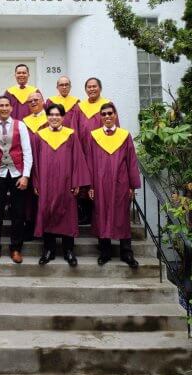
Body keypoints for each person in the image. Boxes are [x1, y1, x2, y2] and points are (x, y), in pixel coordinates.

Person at [33, 104, 90, 266]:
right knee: (47, 213)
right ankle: (49, 250)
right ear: (47, 117)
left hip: (66, 184)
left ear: (63, 117)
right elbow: (36, 162)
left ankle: (68, 251)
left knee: (68, 215)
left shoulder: (71, 135)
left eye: (58, 115)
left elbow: (77, 160)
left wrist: (77, 181)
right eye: (51, 115)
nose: (54, 117)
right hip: (46, 183)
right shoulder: (40, 135)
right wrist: (36, 182)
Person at [87, 102, 140, 268]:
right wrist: (90, 186)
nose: (107, 116)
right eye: (104, 114)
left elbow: (131, 161)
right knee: (101, 214)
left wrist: (132, 185)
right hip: (99, 183)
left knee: (122, 216)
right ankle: (105, 251)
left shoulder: (125, 135)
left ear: (115, 115)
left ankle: (126, 252)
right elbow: (89, 162)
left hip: (120, 183)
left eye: (110, 113)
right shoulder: (94, 135)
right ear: (100, 117)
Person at [0, 95, 33, 264]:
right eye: (0, 106)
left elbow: (27, 152)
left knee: (18, 212)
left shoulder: (21, 126)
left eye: (7, 105)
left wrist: (25, 175)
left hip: (17, 173)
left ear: (11, 108)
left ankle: (16, 249)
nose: (4, 108)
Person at [74, 77, 118, 225]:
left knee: (99, 181)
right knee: (85, 180)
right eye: (89, 87)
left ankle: (100, 214)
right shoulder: (80, 107)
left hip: (102, 152)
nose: (92, 89)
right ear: (85, 89)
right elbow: (75, 128)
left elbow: (114, 128)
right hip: (84, 151)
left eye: (94, 86)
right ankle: (85, 213)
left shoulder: (106, 106)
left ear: (100, 88)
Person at [22, 91, 48, 240]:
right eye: (30, 101)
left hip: (46, 163)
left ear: (43, 101)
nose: (33, 103)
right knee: (29, 196)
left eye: (36, 100)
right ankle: (30, 225)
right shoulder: (24, 121)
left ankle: (46, 227)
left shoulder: (51, 118)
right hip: (29, 163)